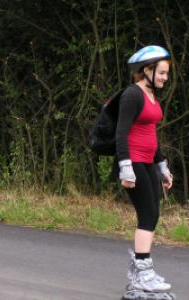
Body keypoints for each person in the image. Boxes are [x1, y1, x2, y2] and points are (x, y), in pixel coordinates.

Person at [117, 46, 175, 300]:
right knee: (147, 214)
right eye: (161, 73)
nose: (164, 78)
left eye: (166, 74)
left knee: (154, 215)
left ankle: (143, 272)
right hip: (134, 163)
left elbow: (151, 133)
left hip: (149, 162)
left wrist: (162, 166)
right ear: (147, 70)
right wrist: (125, 167)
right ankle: (142, 272)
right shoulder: (132, 94)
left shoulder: (152, 97)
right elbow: (121, 132)